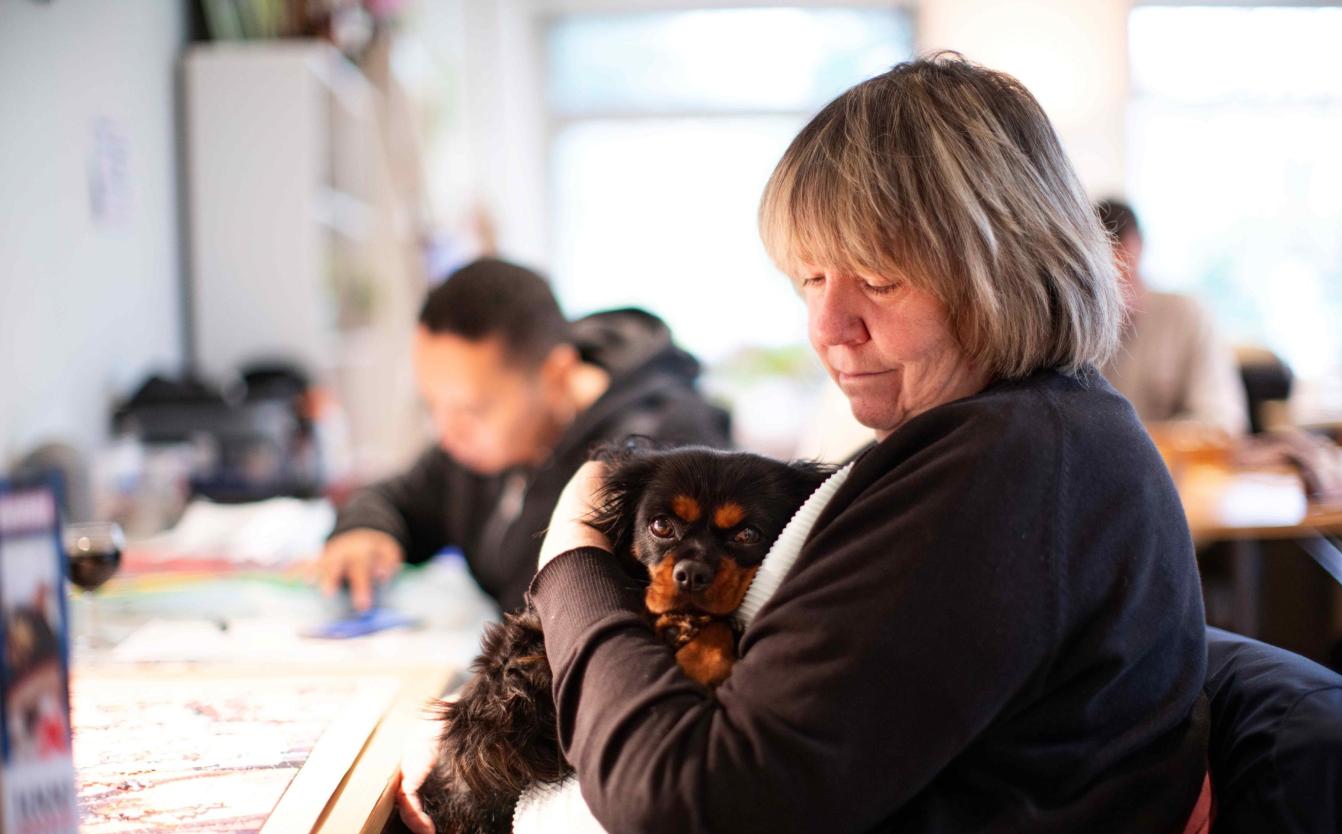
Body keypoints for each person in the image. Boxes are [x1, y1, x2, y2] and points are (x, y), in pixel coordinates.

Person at [399, 54, 1211, 834]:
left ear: (1004, 266)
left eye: (879, 280)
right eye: (810, 281)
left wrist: (572, 559)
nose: (827, 329)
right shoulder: (1037, 428)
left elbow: (692, 806)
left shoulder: (1008, 470)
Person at [318, 257, 729, 613]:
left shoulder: (657, 457)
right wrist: (365, 530)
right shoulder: (476, 444)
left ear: (556, 375)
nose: (446, 433)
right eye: (432, 406)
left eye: (469, 410)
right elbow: (399, 497)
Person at [1096, 198, 1249, 439]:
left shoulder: (1185, 315)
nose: (1114, 265)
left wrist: (1136, 442)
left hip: (1175, 470)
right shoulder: (1080, 333)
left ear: (1137, 247)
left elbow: (1221, 420)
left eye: (1119, 249)